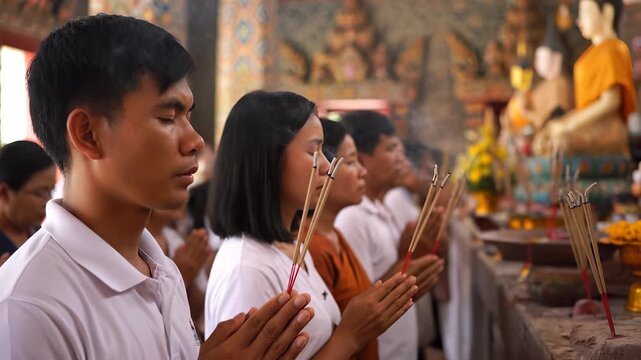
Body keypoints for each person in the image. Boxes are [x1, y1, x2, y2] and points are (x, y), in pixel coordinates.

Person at [0, 14, 314, 359]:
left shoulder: (160, 268)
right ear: (88, 134)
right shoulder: (29, 305)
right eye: (167, 118)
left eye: (188, 116)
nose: (195, 141)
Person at [205, 90, 420, 359]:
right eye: (313, 151)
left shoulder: (289, 246)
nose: (327, 166)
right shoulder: (246, 269)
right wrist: (351, 334)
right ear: (269, 158)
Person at [308, 119, 443, 360]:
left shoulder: (338, 231)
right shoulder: (349, 221)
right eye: (351, 162)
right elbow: (356, 311)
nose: (361, 170)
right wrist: (404, 264)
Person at [534, 0, 636, 155]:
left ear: (607, 12)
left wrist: (569, 125)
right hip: (589, 125)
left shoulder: (612, 49)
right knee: (545, 137)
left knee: (559, 143)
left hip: (609, 128)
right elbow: (586, 107)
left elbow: (611, 101)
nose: (579, 20)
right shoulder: (591, 55)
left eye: (586, 12)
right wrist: (563, 122)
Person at [0, 140, 56, 264]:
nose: (47, 202)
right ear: (5, 192)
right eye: (39, 193)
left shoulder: (43, 234)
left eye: (51, 191)